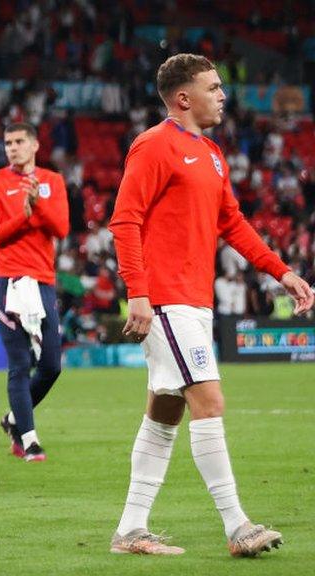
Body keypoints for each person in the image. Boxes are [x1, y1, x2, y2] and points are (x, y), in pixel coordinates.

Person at [108, 53, 314, 557]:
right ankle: (237, 525)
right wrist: (138, 292)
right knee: (209, 401)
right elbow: (124, 220)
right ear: (184, 98)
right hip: (166, 299)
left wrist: (280, 271)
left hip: (192, 300)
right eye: (214, 87)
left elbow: (234, 223)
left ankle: (130, 530)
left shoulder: (214, 154)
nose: (223, 95)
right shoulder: (154, 146)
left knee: (164, 413)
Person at [0, 122, 69, 462]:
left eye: (18, 141)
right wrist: (25, 215)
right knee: (19, 363)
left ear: (34, 145)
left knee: (51, 365)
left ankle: (13, 418)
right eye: (7, 142)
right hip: (8, 280)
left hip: (42, 279)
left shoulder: (53, 181)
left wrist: (39, 207)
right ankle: (29, 439)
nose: (12, 147)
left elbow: (60, 227)